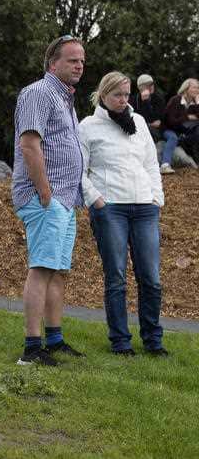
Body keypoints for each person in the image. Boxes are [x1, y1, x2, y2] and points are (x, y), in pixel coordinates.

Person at [11, 35, 87, 366]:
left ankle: (54, 339)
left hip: (65, 200)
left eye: (82, 60)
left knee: (59, 273)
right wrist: (44, 191)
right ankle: (32, 347)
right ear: (53, 64)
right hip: (46, 197)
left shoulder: (65, 100)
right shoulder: (38, 93)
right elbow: (30, 144)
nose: (80, 65)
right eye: (72, 60)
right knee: (42, 269)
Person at [79, 71, 166, 356]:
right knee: (116, 277)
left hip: (144, 207)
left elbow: (151, 164)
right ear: (103, 95)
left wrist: (156, 198)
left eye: (126, 94)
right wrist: (96, 200)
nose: (123, 100)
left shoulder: (139, 122)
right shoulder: (88, 126)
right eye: (117, 95)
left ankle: (153, 341)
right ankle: (121, 342)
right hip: (110, 209)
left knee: (151, 278)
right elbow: (79, 171)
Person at [162, 78, 199, 173]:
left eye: (198, 88)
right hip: (168, 129)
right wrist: (187, 117)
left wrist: (198, 103)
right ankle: (165, 165)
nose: (197, 90)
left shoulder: (194, 102)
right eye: (194, 87)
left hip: (183, 132)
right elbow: (171, 121)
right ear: (186, 89)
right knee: (173, 138)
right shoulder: (175, 100)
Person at [130, 74, 165, 143]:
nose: (151, 86)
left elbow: (156, 118)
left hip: (154, 132)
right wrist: (145, 102)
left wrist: (146, 102)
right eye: (147, 84)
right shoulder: (134, 99)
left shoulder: (158, 99)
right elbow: (137, 118)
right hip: (138, 129)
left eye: (152, 84)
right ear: (140, 87)